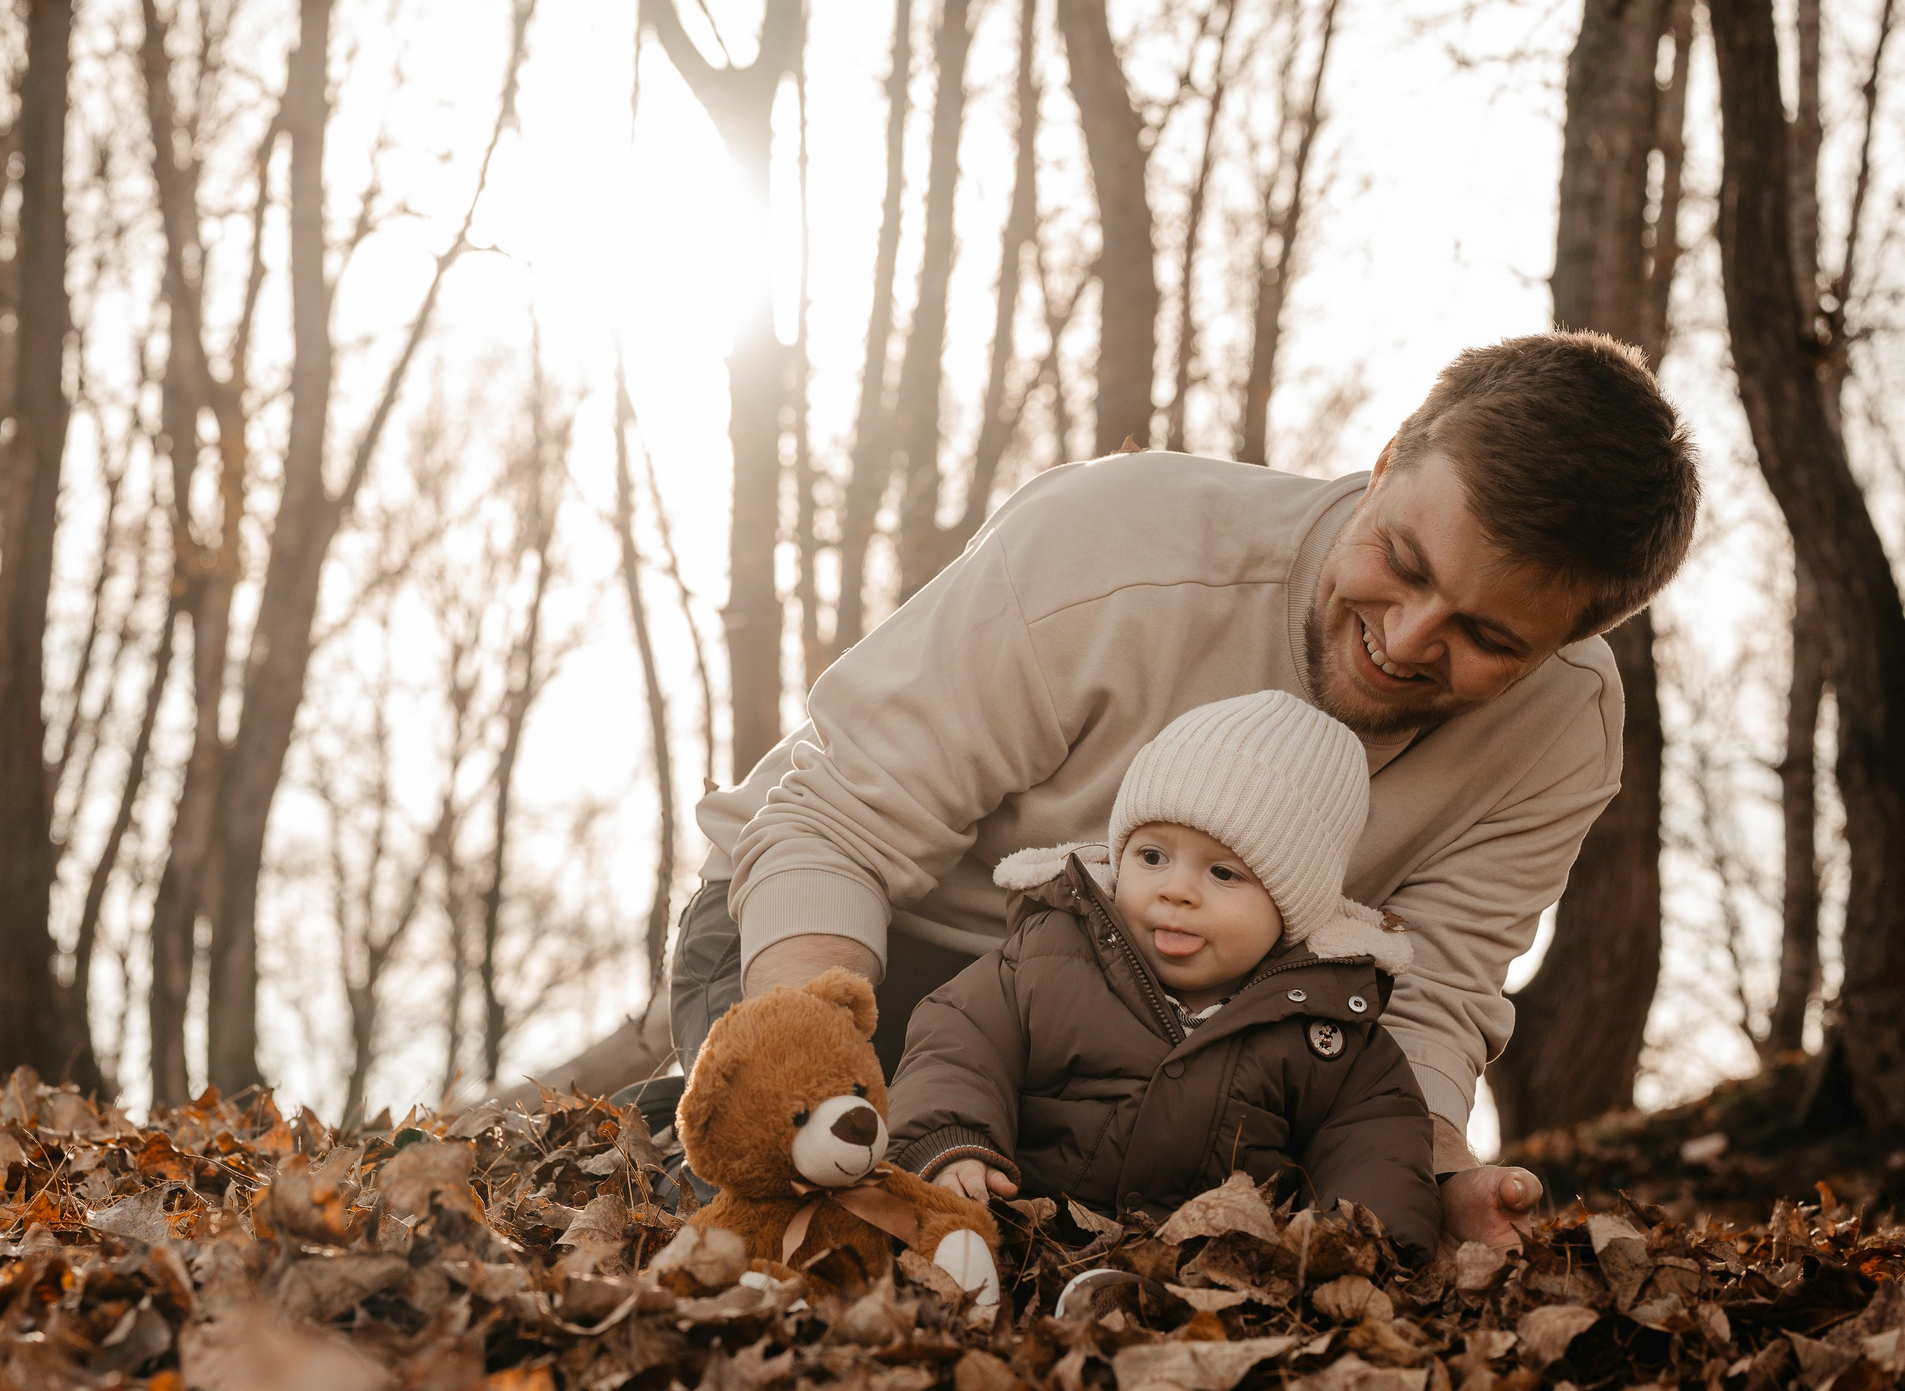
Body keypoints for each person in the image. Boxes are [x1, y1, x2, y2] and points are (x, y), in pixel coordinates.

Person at [667, 333, 1700, 1252]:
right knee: (830, 1202)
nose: (1408, 638)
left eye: (1487, 637)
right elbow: (831, 821)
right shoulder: (1114, 545)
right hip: (868, 931)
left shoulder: (1564, 724)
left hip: (1170, 1035)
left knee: (1068, 1231)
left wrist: (1428, 1179)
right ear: (1386, 463)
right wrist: (810, 1038)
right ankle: (681, 1118)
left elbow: (1431, 992)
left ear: (1570, 640)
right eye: (1403, 561)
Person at [886, 691, 1441, 1255]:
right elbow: (959, 1044)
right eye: (1152, 857)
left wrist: (1361, 1246)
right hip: (1026, 1238)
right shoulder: (1050, 955)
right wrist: (953, 1144)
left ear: (1292, 907)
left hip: (1214, 1278)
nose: (1176, 890)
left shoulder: (1326, 1030)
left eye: (1223, 873)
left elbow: (1377, 1143)